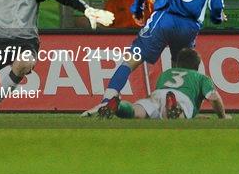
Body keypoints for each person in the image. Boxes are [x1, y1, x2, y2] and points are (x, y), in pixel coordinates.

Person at [89, 0, 225, 118]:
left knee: (131, 60)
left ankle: (106, 100)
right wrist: (218, 17)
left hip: (163, 18)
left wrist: (136, 8)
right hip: (189, 25)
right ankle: (175, 106)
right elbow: (216, 4)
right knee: (180, 68)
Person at [98, 48, 230, 120]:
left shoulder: (167, 73)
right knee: (175, 117)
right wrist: (222, 116)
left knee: (138, 112)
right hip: (181, 98)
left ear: (178, 63)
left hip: (158, 94)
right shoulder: (201, 78)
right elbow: (214, 98)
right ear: (197, 66)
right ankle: (174, 109)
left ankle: (119, 106)